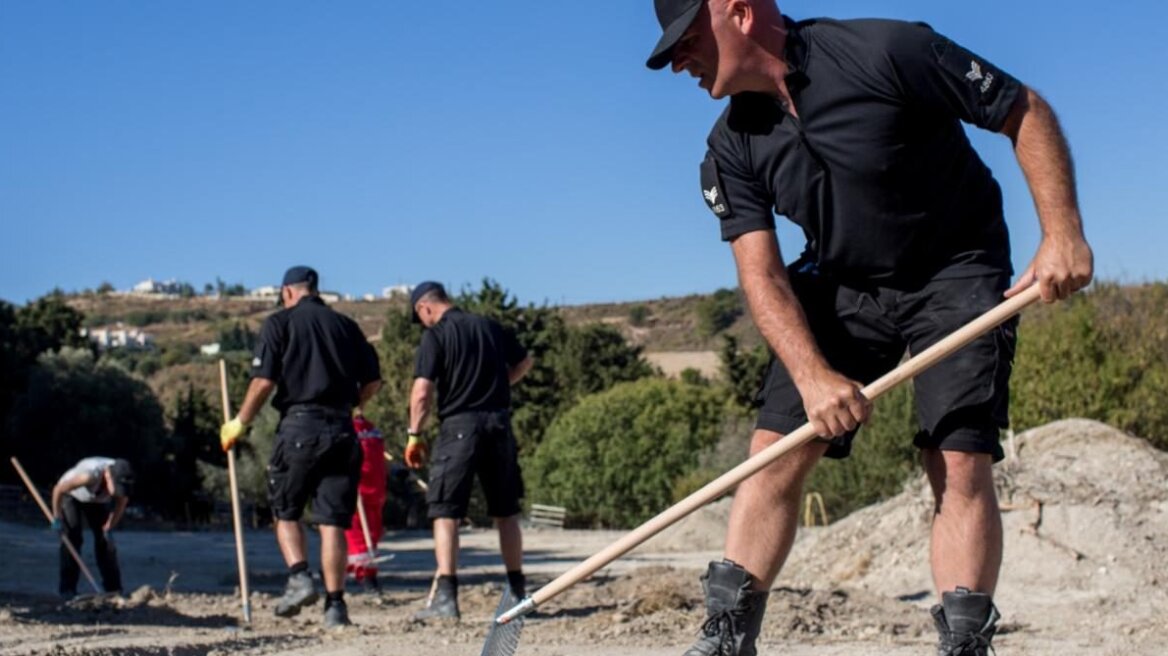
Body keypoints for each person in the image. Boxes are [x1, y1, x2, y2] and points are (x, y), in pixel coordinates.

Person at [645, 2, 1093, 654]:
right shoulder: (730, 145)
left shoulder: (885, 51)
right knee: (774, 451)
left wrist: (1063, 234)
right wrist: (812, 375)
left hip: (955, 269)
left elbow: (1023, 109)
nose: (679, 61)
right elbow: (763, 278)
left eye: (687, 40)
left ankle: (965, 642)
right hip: (843, 280)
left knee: (957, 457)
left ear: (739, 12)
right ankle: (726, 638)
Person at [219, 265, 382, 628]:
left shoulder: (280, 323)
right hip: (342, 430)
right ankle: (336, 606)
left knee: (287, 512)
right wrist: (352, 405)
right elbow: (374, 381)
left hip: (299, 426)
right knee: (333, 524)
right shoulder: (347, 326)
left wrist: (239, 422)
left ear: (288, 292)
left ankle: (299, 576)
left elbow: (263, 382)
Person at [404, 281, 534, 621]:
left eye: (422, 318)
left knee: (445, 511)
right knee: (505, 511)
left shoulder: (436, 336)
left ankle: (447, 598)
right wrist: (497, 385)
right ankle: (518, 595)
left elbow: (421, 392)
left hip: (459, 428)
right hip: (499, 424)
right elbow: (524, 362)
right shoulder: (489, 326)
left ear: (425, 308)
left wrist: (414, 434)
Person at [50, 457, 134, 598]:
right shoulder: (89, 475)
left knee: (106, 543)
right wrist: (57, 517)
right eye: (117, 487)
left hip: (96, 500)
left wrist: (109, 527)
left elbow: (120, 504)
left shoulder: (123, 478)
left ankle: (113, 589)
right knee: (72, 537)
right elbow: (58, 490)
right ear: (108, 476)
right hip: (72, 495)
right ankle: (67, 589)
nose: (119, 492)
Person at [344, 411, 388, 593]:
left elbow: (378, 458)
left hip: (375, 491)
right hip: (355, 491)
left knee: (373, 532)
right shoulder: (346, 428)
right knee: (356, 537)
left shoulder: (371, 429)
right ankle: (367, 578)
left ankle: (344, 569)